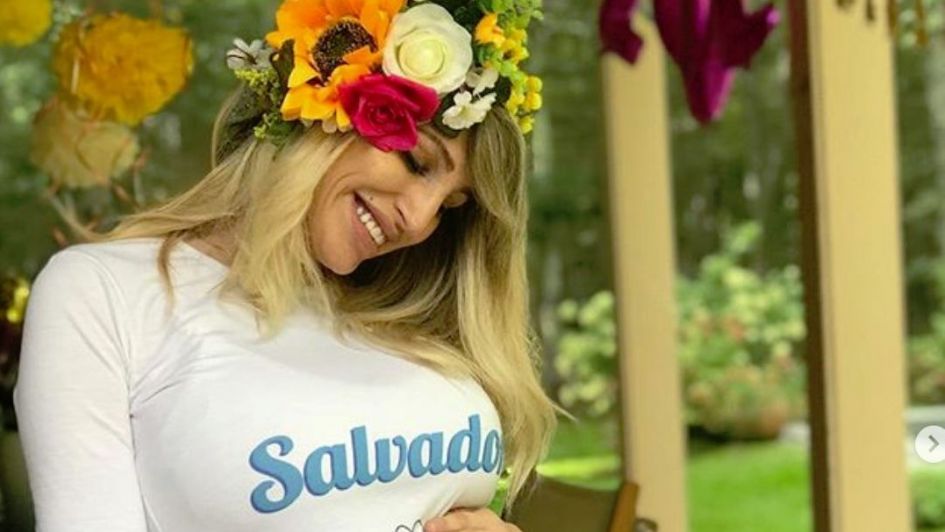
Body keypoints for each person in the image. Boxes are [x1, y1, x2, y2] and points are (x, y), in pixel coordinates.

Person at [13, 1, 561, 531]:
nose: (419, 220)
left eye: (450, 206)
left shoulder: (404, 308)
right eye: (416, 161)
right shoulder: (106, 293)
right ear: (325, 110)